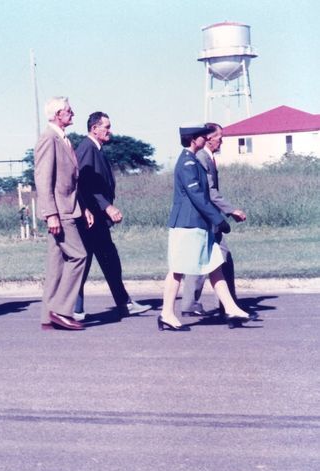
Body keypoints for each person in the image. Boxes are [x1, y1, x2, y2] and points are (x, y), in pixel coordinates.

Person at [159, 125, 254, 331]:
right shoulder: (187, 163)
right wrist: (218, 220)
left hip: (198, 224)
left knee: (214, 265)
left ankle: (230, 307)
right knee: (177, 270)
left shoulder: (193, 161)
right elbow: (198, 197)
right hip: (187, 224)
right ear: (194, 140)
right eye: (203, 136)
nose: (206, 138)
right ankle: (166, 313)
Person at [73, 112, 150, 320]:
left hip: (95, 218)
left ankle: (116, 304)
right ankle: (75, 307)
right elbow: (83, 184)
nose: (109, 131)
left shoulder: (95, 149)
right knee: (90, 261)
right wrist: (106, 206)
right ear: (94, 128)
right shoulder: (87, 148)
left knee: (105, 260)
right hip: (90, 218)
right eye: (106, 127)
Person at [35, 97, 92, 331]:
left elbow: (71, 181)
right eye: (69, 110)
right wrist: (51, 214)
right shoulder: (49, 139)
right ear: (58, 114)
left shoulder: (62, 138)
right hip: (60, 211)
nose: (73, 113)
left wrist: (84, 208)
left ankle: (48, 316)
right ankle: (61, 310)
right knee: (79, 256)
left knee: (57, 264)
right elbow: (43, 178)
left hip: (69, 208)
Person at [180, 122, 247, 317]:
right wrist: (231, 210)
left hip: (209, 216)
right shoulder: (201, 157)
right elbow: (209, 192)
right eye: (220, 137)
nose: (222, 141)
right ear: (209, 138)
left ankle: (199, 304)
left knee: (210, 259)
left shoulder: (207, 157)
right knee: (216, 258)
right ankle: (225, 305)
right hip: (206, 217)